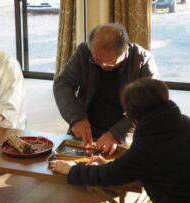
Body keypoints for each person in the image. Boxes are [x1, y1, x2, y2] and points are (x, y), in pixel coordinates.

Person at [50, 78, 190, 203]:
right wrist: (107, 164)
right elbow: (137, 166)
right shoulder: (184, 122)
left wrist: (72, 170)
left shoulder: (147, 144)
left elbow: (109, 175)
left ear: (135, 116)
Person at [53, 23, 159, 155]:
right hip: (88, 129)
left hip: (127, 134)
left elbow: (149, 106)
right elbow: (63, 83)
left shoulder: (142, 60)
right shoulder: (84, 52)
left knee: (121, 173)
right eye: (97, 59)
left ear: (125, 49)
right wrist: (76, 118)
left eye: (110, 61)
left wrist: (117, 134)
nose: (103, 65)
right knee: (71, 170)